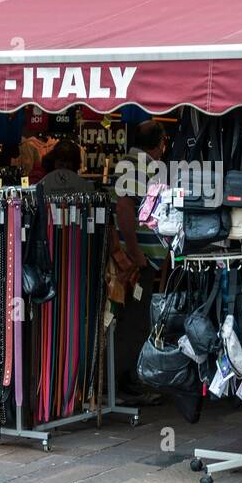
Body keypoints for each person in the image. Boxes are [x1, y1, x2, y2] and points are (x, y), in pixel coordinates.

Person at [111, 121, 168, 406]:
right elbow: (124, 208)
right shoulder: (134, 165)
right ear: (160, 143)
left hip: (141, 261)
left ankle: (127, 379)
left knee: (135, 320)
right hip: (134, 265)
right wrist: (135, 254)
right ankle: (124, 382)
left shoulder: (136, 163)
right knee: (132, 322)